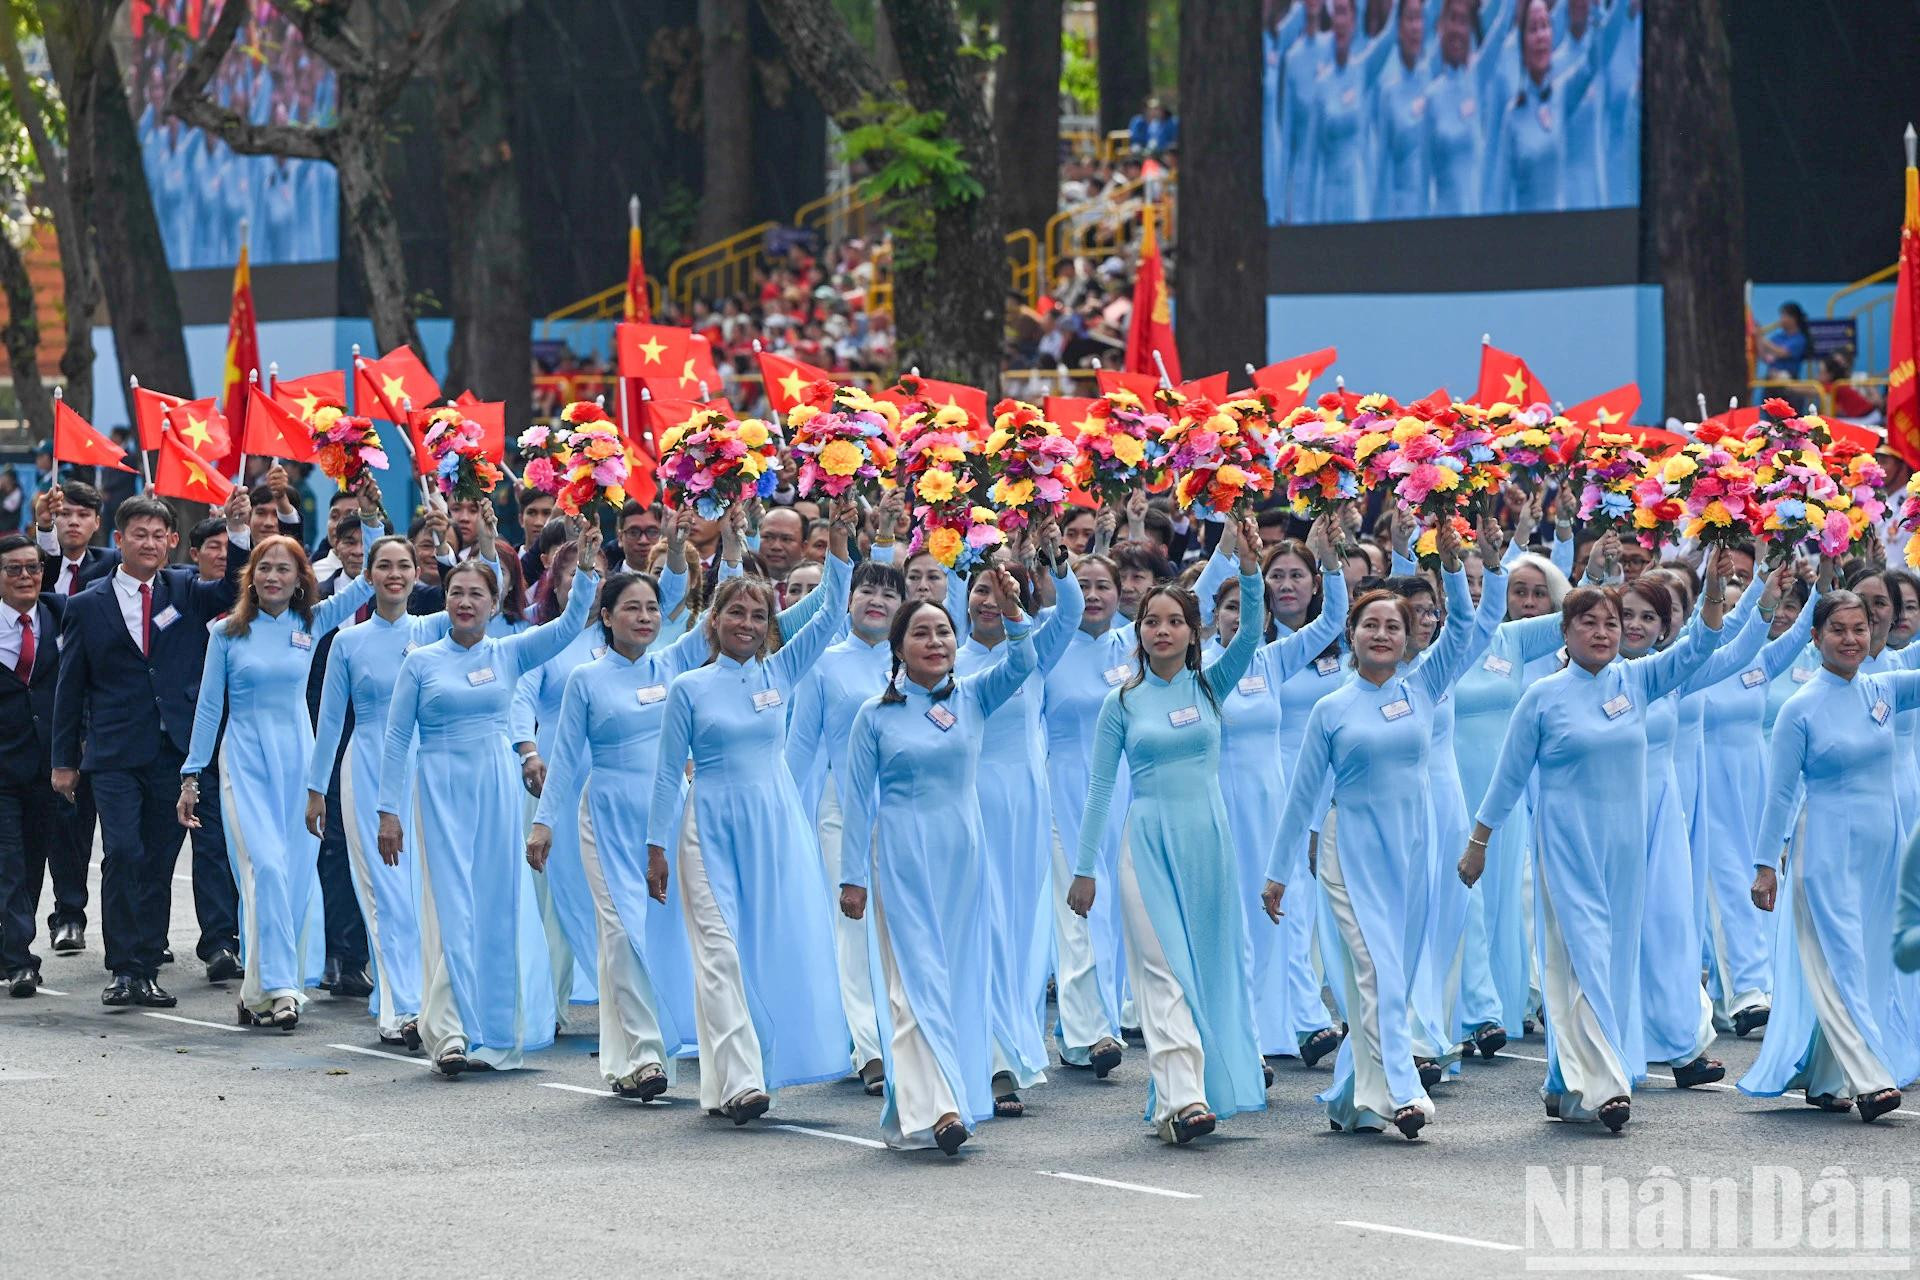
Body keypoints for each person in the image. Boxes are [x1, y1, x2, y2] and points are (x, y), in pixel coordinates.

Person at [1463, 552, 1734, 1132]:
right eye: (1589, 623)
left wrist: (1713, 588)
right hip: (1567, 845)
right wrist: (1479, 841)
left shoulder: (1638, 680)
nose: (1604, 632)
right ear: (1565, 632)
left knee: (1607, 962)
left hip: (1625, 850)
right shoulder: (1542, 696)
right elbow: (1508, 777)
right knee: (1580, 957)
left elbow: (1701, 647)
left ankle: (1565, 1082)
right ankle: (1607, 1085)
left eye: (1611, 623)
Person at [1264, 517, 1488, 1139]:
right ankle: (1402, 1091)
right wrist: (1278, 875)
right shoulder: (1331, 708)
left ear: (1409, 635)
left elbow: (1464, 630)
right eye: (1371, 625)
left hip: (1411, 850)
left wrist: (1450, 566)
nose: (1383, 634)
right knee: (1376, 972)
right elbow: (1302, 798)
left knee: (1393, 973)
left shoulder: (1425, 688)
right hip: (1350, 851)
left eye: (1394, 626)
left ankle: (1351, 1099)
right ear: (1351, 634)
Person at [644, 500, 858, 1123]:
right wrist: (656, 848)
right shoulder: (688, 687)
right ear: (713, 622)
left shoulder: (781, 669)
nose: (746, 622)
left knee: (760, 949)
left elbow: (831, 612)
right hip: (706, 828)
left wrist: (839, 544)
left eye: (758, 614)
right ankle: (741, 1081)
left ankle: (723, 1082)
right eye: (734, 611)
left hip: (773, 824)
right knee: (719, 952)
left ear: (769, 624)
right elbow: (667, 772)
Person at [374, 518, 603, 1074]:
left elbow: (570, 625)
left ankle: (493, 1032)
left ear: (495, 601)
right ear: (445, 599)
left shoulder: (509, 652)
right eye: (456, 592)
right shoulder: (420, 661)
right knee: (452, 905)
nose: (465, 602)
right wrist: (388, 812)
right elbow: (397, 739)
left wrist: (587, 570)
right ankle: (449, 1032)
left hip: (496, 786)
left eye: (477, 594)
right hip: (439, 788)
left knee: (495, 906)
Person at [1069, 517, 1271, 1144]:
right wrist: (1083, 869)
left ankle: (1182, 1094)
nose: (1162, 630)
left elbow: (1252, 632)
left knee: (1203, 968)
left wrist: (1251, 569)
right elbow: (1100, 788)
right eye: (1152, 621)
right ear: (1139, 631)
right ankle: (1185, 1099)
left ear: (1192, 631)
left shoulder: (1212, 686)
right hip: (1146, 845)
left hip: (1207, 842)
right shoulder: (1122, 703)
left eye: (1175, 621)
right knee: (1160, 969)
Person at [836, 566, 1038, 1153]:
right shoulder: (875, 714)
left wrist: (1014, 610)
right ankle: (940, 1108)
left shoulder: (974, 696)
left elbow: (1024, 662)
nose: (935, 642)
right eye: (920, 633)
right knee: (912, 983)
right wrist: (852, 879)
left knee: (956, 977)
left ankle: (943, 1096)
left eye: (943, 632)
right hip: (902, 854)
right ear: (898, 647)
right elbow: (857, 802)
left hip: (963, 856)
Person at [177, 484, 382, 1030]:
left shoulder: (310, 622)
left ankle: (260, 991)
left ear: (299, 579)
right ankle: (282, 990)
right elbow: (208, 709)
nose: (272, 576)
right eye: (264, 567)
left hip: (300, 763)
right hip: (244, 762)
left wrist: (369, 516)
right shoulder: (225, 633)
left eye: (283, 569)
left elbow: (369, 578)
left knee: (292, 875)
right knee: (264, 868)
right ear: (251, 576)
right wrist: (191, 775)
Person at [52, 488, 252, 1008]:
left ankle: (144, 968)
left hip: (172, 752)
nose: (148, 543)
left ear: (171, 542)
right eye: (138, 534)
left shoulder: (185, 590)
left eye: (158, 535)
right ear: (118, 540)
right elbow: (70, 688)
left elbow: (237, 587)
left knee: (159, 861)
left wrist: (237, 531)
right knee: (123, 852)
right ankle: (122, 969)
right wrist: (64, 761)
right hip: (115, 753)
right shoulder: (86, 604)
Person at [524, 560, 716, 1100]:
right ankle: (648, 1055)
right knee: (621, 932)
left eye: (652, 608)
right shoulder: (586, 679)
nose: (645, 617)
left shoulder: (672, 664)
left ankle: (626, 1057)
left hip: (667, 813)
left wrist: (730, 543)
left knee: (658, 932)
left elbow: (717, 616)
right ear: (606, 617)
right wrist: (543, 824)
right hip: (606, 813)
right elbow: (565, 758)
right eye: (631, 608)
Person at [1743, 591, 1920, 1122]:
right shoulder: (1800, 708)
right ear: (1816, 637)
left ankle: (1827, 1077)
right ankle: (1872, 1078)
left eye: (1859, 628)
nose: (1850, 639)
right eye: (1838, 630)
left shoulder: (1884, 688)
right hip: (1824, 847)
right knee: (1840, 959)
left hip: (1882, 849)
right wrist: (1765, 866)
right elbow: (1779, 794)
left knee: (1867, 964)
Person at [1198, 516, 1347, 1064]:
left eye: (1249, 607)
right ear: (1214, 616)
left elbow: (1333, 618)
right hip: (1221, 805)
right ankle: (1238, 1036)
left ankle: (1280, 1027)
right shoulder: (1197, 668)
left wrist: (1329, 562)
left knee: (1277, 914)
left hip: (1272, 803)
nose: (1240, 616)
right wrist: (1232, 555)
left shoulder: (1274, 659)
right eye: (1229, 608)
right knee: (1230, 919)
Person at [954, 525, 1084, 1115]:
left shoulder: (1032, 651)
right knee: (983, 923)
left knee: (1023, 926)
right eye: (980, 590)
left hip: (1026, 804)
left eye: (1000, 590)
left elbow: (1072, 609)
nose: (987, 600)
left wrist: (1053, 556)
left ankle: (1015, 1042)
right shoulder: (946, 659)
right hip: (971, 800)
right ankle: (993, 1060)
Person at [784, 555, 911, 1095]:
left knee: (903, 927)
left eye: (889, 593)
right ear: (847, 600)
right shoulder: (824, 665)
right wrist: (784, 816)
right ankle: (868, 1047)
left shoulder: (916, 660)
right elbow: (799, 749)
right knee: (852, 928)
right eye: (866, 591)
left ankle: (907, 1039)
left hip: (907, 807)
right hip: (844, 809)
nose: (877, 601)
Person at [1479, 0, 1628, 214]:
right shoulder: (1512, 116)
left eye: (1545, 26)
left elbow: (1592, 63)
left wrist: (1596, 12)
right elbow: (1500, 194)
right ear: (1522, 44)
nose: (1540, 36)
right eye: (1533, 29)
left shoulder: (1562, 92)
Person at [0, 534, 62, 996]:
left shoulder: (61, 614)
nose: (26, 576)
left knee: (33, 862)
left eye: (33, 568)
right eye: (14, 569)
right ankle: (21, 960)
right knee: (9, 864)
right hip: (1, 770)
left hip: (47, 768)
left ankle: (11, 945)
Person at [1757, 302, 1811, 380]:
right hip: (1772, 379)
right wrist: (1758, 339)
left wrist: (1763, 339)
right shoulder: (1778, 337)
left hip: (1789, 381)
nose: (1780, 320)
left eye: (1784, 316)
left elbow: (1782, 353)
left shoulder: (1799, 339)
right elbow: (1766, 357)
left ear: (1794, 319)